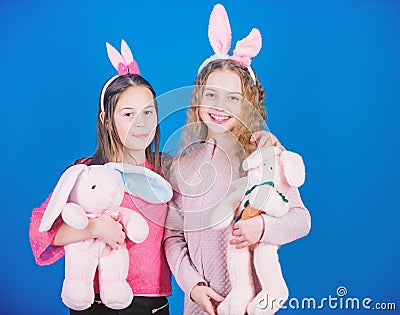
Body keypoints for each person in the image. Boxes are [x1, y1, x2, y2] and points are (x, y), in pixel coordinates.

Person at [163, 4, 311, 315]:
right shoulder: (185, 165)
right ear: (199, 98)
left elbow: (301, 219)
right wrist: (193, 286)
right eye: (212, 94)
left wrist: (262, 228)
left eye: (233, 98)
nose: (220, 106)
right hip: (199, 306)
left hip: (247, 306)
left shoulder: (262, 157)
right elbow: (173, 237)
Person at [29, 40, 171, 315]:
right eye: (128, 114)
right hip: (94, 303)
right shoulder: (85, 171)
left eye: (148, 113)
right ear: (107, 120)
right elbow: (44, 230)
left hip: (150, 303)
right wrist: (93, 229)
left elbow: (213, 159)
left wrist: (262, 144)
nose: (141, 124)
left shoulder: (165, 170)